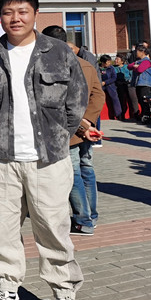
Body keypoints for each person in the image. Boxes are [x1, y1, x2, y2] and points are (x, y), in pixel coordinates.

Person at [0, 0, 90, 300]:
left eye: (22, 11)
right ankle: (8, 294)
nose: (16, 18)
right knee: (2, 231)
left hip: (48, 160)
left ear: (35, 14)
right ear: (0, 16)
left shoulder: (58, 52)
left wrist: (58, 135)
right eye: (8, 12)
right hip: (2, 159)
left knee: (53, 231)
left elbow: (77, 99)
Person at [43, 26, 105, 237]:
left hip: (70, 128)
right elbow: (98, 95)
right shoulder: (85, 64)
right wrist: (88, 121)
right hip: (86, 126)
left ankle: (83, 220)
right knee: (86, 169)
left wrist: (81, 124)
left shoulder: (57, 65)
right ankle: (91, 216)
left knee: (74, 172)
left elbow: (62, 102)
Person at [127, 45, 151, 121]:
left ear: (142, 52)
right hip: (138, 83)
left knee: (144, 100)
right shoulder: (138, 61)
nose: (136, 53)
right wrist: (135, 66)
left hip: (145, 83)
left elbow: (140, 69)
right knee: (140, 100)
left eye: (137, 51)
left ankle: (147, 115)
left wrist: (136, 67)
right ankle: (144, 114)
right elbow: (129, 66)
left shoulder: (146, 61)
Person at [98, 55, 122, 120]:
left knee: (115, 98)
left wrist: (105, 82)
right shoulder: (97, 68)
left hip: (110, 85)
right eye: (107, 62)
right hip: (100, 85)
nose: (109, 63)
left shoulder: (111, 68)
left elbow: (114, 77)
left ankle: (118, 114)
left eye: (109, 62)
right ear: (103, 62)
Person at [113, 54, 131, 120]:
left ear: (122, 61)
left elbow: (131, 76)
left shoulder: (127, 67)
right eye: (115, 59)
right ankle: (121, 114)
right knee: (121, 99)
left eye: (117, 59)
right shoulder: (113, 68)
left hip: (127, 84)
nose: (115, 60)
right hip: (118, 85)